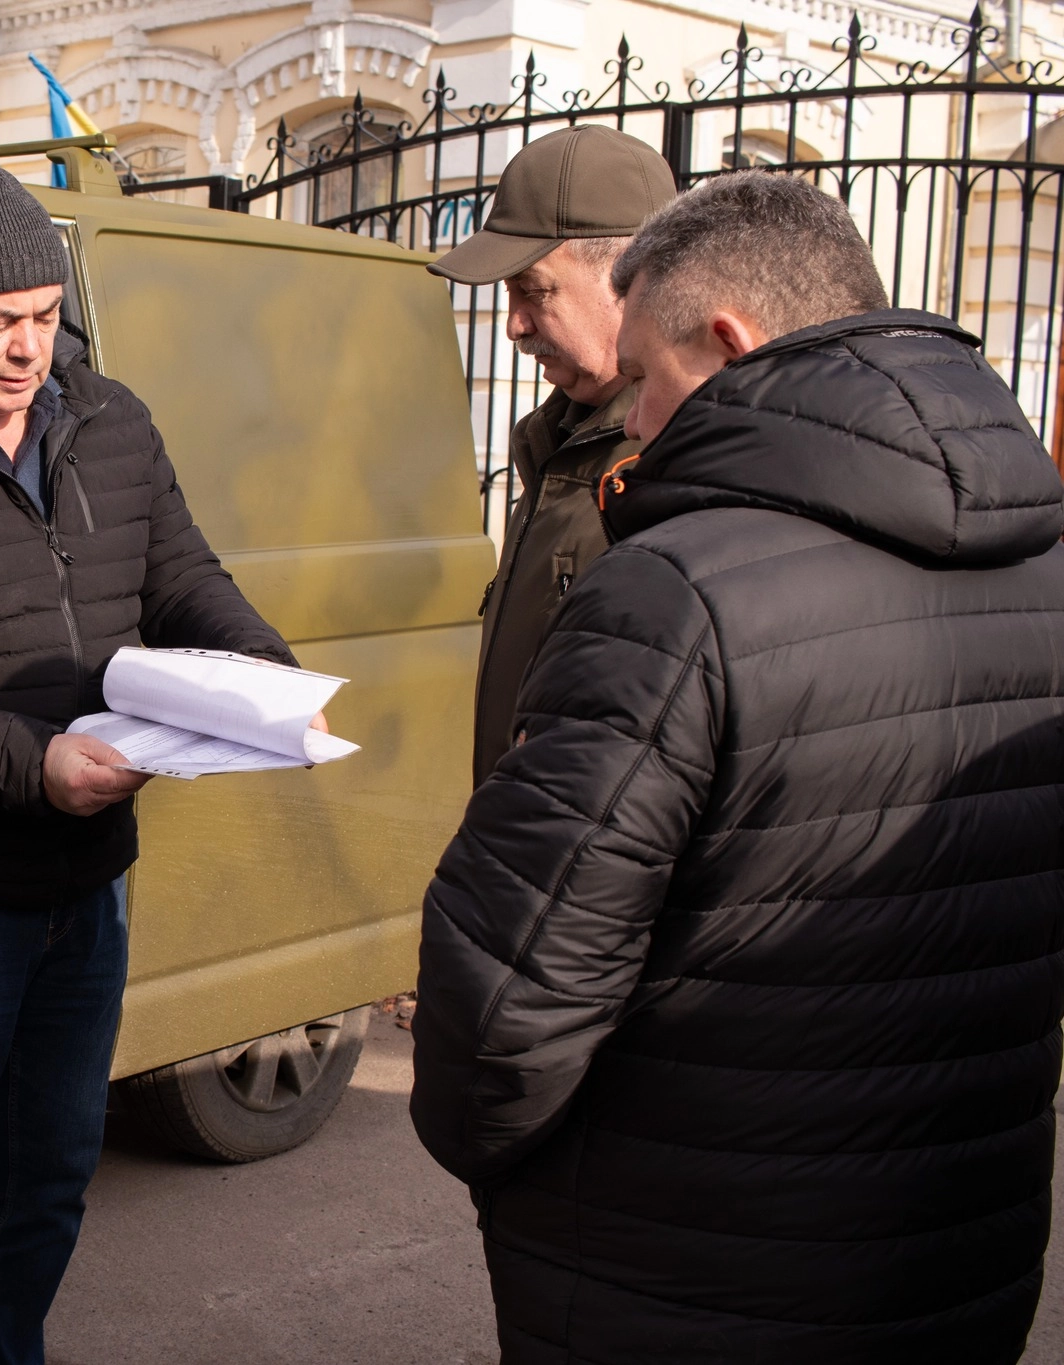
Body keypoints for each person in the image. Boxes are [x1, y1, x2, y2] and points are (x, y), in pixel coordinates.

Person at [411, 170, 1064, 1362]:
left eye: (650, 383)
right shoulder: (1043, 555)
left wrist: (495, 1158)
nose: (641, 424)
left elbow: (508, 996)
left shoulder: (676, 588)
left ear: (728, 342)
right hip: (959, 1245)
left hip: (679, 1263)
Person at [0, 161, 303, 1365]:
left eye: (43, 317)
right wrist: (30, 766)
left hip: (87, 883)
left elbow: (180, 576)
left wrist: (254, 668)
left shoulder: (112, 419)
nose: (23, 350)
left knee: (45, 1181)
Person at [426, 124, 676, 785]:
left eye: (532, 289)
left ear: (632, 281)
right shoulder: (558, 443)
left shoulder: (678, 463)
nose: (514, 324)